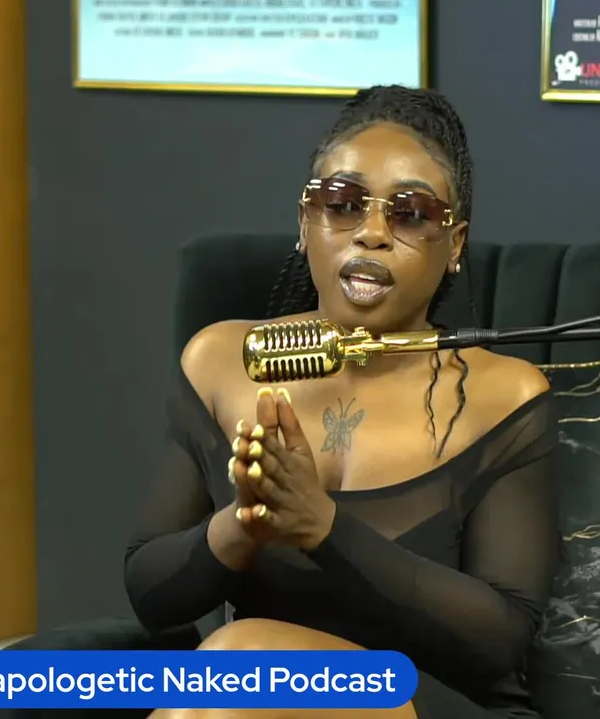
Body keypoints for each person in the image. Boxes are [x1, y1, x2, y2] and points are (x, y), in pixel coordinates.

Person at [125, 85, 559, 719]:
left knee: (238, 663)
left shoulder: (504, 395)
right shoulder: (220, 362)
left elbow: (499, 642)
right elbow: (152, 597)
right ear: (306, 223)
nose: (372, 234)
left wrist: (321, 527)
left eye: (411, 213)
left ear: (455, 244)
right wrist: (242, 525)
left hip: (435, 705)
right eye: (343, 204)